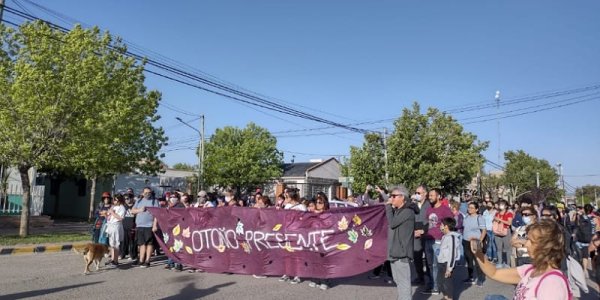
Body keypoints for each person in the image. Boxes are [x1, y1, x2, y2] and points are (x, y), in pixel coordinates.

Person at [472, 219, 571, 300]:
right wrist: (478, 253)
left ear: (547, 247)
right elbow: (494, 273)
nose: (525, 244)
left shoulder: (552, 283)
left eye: (531, 241)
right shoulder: (530, 270)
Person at [386, 185, 417, 300]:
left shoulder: (408, 211)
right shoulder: (399, 211)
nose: (391, 198)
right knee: (398, 282)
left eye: (394, 196)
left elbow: (392, 223)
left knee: (404, 284)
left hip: (402, 254)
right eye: (391, 196)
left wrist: (388, 206)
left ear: (402, 197)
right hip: (395, 253)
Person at [422, 188, 454, 295]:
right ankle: (431, 284)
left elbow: (451, 223)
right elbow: (428, 223)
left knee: (437, 265)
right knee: (429, 264)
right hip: (428, 239)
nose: (430, 197)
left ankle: (436, 287)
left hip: (439, 241)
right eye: (429, 195)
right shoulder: (429, 209)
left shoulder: (445, 209)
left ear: (439, 196)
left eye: (432, 195)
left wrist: (445, 234)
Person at [280, 188, 306, 284]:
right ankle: (287, 273)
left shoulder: (302, 207)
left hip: (297, 234)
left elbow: (305, 220)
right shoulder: (287, 206)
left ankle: (298, 275)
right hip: (288, 233)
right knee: (287, 254)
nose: (286, 197)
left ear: (292, 196)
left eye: (287, 196)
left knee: (297, 255)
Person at [131, 187, 160, 268]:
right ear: (143, 193)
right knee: (141, 244)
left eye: (149, 192)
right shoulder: (139, 201)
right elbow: (132, 211)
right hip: (140, 225)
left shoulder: (155, 201)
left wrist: (155, 225)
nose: (148, 194)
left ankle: (147, 261)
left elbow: (157, 214)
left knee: (149, 243)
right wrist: (140, 210)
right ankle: (141, 260)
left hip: (149, 225)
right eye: (146, 192)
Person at [462, 201, 487, 286]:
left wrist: (480, 241)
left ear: (476, 209)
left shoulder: (479, 218)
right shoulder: (466, 217)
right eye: (469, 207)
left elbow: (484, 230)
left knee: (478, 261)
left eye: (472, 208)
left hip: (476, 241)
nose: (470, 209)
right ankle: (470, 277)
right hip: (466, 241)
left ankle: (480, 279)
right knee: (469, 260)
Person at [438, 217, 462, 300]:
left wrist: (449, 268)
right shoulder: (445, 236)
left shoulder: (452, 238)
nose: (440, 226)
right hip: (441, 263)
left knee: (447, 284)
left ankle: (449, 298)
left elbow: (452, 254)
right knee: (441, 283)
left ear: (446, 226)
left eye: (441, 225)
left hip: (447, 264)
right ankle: (445, 297)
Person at [412, 185, 431, 286]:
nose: (417, 195)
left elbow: (431, 220)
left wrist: (423, 230)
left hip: (426, 233)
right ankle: (420, 277)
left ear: (425, 194)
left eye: (419, 193)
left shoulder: (429, 205)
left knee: (428, 257)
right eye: (416, 193)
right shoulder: (413, 204)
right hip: (415, 232)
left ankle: (429, 279)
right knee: (417, 256)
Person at [105, 194, 126, 267]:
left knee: (116, 244)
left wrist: (112, 213)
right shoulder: (113, 206)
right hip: (110, 226)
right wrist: (106, 214)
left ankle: (116, 261)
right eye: (113, 199)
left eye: (115, 200)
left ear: (120, 200)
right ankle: (112, 259)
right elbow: (109, 216)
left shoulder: (122, 208)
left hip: (116, 226)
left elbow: (120, 218)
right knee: (111, 244)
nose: (114, 201)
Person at [493, 199, 514, 268]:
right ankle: (500, 262)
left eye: (502, 204)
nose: (500, 206)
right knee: (499, 248)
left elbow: (509, 223)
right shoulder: (497, 213)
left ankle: (508, 263)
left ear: (506, 206)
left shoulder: (509, 213)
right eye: (499, 204)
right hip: (497, 231)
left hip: (506, 231)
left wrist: (500, 220)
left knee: (508, 248)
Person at [120, 192, 137, 261]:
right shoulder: (123, 206)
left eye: (127, 198)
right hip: (124, 226)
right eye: (125, 199)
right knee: (123, 241)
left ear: (132, 198)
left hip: (132, 227)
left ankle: (133, 255)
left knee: (132, 242)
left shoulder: (135, 206)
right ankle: (122, 254)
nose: (126, 200)